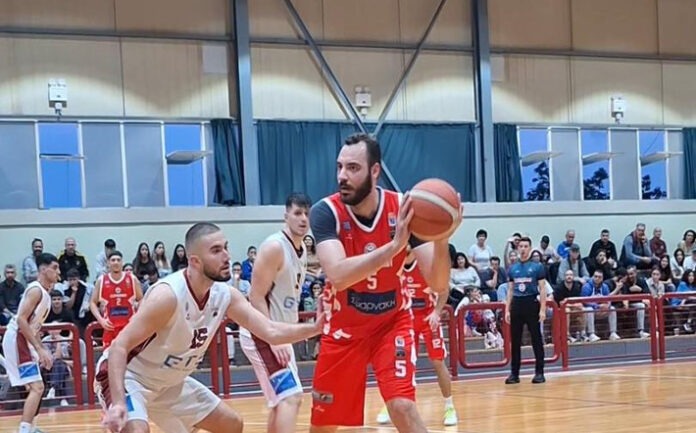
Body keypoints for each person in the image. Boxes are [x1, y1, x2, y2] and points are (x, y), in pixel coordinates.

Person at [98, 223, 324, 433]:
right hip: (131, 378)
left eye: (226, 247)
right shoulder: (167, 296)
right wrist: (118, 403)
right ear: (195, 261)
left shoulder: (226, 295)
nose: (226, 256)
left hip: (170, 383)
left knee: (232, 424)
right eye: (216, 251)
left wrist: (316, 327)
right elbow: (119, 347)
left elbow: (270, 331)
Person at [308, 133, 461, 433]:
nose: (342, 176)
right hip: (344, 329)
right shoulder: (325, 211)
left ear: (375, 170)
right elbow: (338, 275)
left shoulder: (404, 208)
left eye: (353, 168)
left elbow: (438, 283)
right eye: (339, 167)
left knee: (402, 406)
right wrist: (393, 248)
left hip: (391, 324)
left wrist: (442, 238)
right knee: (324, 425)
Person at [240, 193, 311, 433]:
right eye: (297, 213)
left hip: (279, 334)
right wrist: (273, 339)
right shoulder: (274, 247)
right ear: (286, 216)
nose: (303, 218)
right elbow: (256, 296)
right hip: (262, 334)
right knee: (291, 397)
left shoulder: (302, 248)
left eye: (307, 214)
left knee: (281, 403)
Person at [376, 247, 458, 426]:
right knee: (399, 365)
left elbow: (444, 290)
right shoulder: (394, 267)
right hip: (405, 320)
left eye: (409, 247)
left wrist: (437, 312)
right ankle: (391, 404)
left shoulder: (425, 266)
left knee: (438, 361)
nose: (405, 250)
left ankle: (449, 406)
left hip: (427, 318)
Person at [2, 253, 60, 433]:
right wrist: (40, 349)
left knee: (37, 386)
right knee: (37, 387)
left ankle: (31, 427)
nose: (58, 272)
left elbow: (32, 325)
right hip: (18, 340)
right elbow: (21, 320)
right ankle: (25, 430)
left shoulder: (45, 293)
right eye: (55, 267)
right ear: (43, 269)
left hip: (24, 340)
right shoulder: (36, 290)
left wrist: (41, 348)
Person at [505, 236, 547, 384]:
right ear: (518, 248)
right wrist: (507, 309)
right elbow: (510, 290)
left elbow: (542, 288)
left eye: (525, 246)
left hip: (531, 303)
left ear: (530, 248)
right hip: (517, 304)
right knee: (515, 340)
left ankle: (539, 372)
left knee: (536, 339)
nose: (523, 249)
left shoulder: (537, 267)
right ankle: (514, 374)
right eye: (520, 246)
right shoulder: (513, 268)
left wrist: (542, 309)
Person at [90, 250, 144, 348]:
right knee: (110, 356)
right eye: (113, 260)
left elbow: (141, 300)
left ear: (122, 262)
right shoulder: (101, 280)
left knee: (132, 356)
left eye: (118, 260)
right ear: (108, 263)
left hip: (129, 327)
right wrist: (101, 320)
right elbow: (93, 303)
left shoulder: (132, 279)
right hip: (110, 329)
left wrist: (137, 316)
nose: (116, 262)